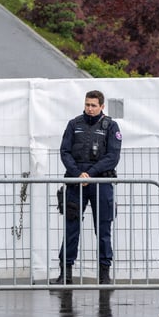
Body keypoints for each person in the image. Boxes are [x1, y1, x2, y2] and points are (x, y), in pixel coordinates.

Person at [52, 90, 122, 285]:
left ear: (102, 106)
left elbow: (112, 157)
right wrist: (77, 175)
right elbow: (65, 152)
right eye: (87, 105)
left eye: (93, 105)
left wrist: (90, 175)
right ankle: (65, 274)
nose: (89, 109)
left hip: (101, 183)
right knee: (71, 228)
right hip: (76, 184)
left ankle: (104, 275)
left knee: (103, 229)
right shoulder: (74, 125)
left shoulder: (111, 126)